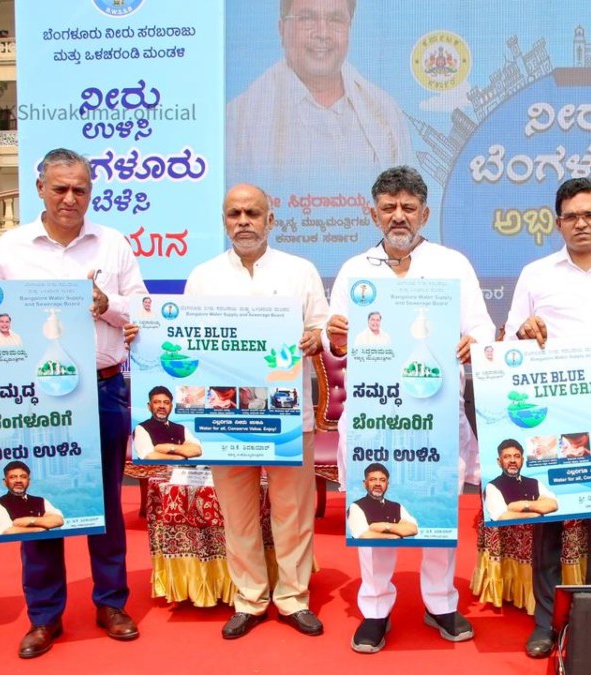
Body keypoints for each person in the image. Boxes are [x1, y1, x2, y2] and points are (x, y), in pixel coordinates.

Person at [0, 147, 146, 658]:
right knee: (38, 498)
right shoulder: (10, 247)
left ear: (91, 192)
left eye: (80, 189)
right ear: (40, 188)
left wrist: (107, 304)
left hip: (103, 388)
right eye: (60, 188)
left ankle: (111, 604)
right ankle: (44, 617)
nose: (70, 198)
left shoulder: (113, 245)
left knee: (106, 502)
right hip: (35, 396)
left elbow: (142, 309)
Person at [325, 165, 494, 653]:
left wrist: (472, 343)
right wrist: (336, 338)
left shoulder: (451, 264)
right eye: (388, 207)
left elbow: (483, 329)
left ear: (424, 212)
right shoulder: (355, 271)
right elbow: (335, 342)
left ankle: (440, 601)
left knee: (438, 505)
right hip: (375, 414)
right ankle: (375, 608)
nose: (398, 216)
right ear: (373, 213)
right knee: (373, 501)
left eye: (408, 207)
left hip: (435, 412)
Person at [504, 176, 591, 657]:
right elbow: (510, 341)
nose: (580, 223)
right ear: (557, 222)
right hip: (551, 419)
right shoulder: (535, 274)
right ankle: (546, 623)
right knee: (548, 520)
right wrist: (523, 332)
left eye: (589, 215)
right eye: (571, 216)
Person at [182, 183, 330, 640]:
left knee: (293, 512)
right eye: (234, 214)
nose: (243, 221)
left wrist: (315, 338)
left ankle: (293, 598)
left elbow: (323, 329)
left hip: (286, 416)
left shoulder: (300, 271)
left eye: (252, 213)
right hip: (226, 418)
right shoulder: (203, 277)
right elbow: (186, 342)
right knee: (238, 514)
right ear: (224, 221)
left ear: (271, 220)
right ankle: (249, 599)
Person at [226, 0, 412, 173]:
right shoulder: (240, 119)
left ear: (349, 27)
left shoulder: (385, 114)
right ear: (282, 29)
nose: (323, 33)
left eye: (335, 19)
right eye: (307, 18)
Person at [482, 439, 558, 522]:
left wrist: (521, 505)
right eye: (507, 457)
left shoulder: (534, 482)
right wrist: (535, 514)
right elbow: (502, 518)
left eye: (517, 456)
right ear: (499, 462)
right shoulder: (492, 486)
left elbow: (553, 504)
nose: (512, 460)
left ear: (522, 460)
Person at [0, 461, 64, 536]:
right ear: (5, 482)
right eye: (13, 477)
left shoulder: (40, 501)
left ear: (29, 481)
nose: (18, 481)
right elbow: (7, 531)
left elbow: (58, 520)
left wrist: (30, 520)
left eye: (23, 477)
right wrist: (40, 529)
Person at [347, 463, 420, 539]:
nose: (378, 484)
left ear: (387, 485)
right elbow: (362, 535)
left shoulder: (396, 507)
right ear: (365, 484)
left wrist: (385, 526)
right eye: (373, 479)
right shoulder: (356, 506)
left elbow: (413, 529)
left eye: (382, 480)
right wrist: (394, 536)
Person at [132, 386, 203, 461]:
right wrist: (179, 457)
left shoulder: (181, 428)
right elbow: (148, 456)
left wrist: (170, 448)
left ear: (171, 407)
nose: (162, 406)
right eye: (157, 402)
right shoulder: (141, 428)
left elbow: (197, 450)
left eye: (166, 403)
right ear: (149, 406)